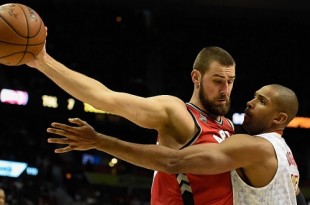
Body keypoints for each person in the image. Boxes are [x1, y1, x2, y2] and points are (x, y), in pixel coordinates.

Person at [26, 45, 236, 204]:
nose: (225, 89)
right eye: (217, 81)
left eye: (230, 81)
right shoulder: (177, 113)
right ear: (196, 77)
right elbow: (104, 98)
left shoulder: (228, 127)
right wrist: (44, 61)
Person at [46, 84, 306, 205]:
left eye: (261, 101)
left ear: (279, 118)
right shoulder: (286, 154)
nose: (249, 102)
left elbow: (172, 161)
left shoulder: (255, 147)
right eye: (253, 96)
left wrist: (98, 141)